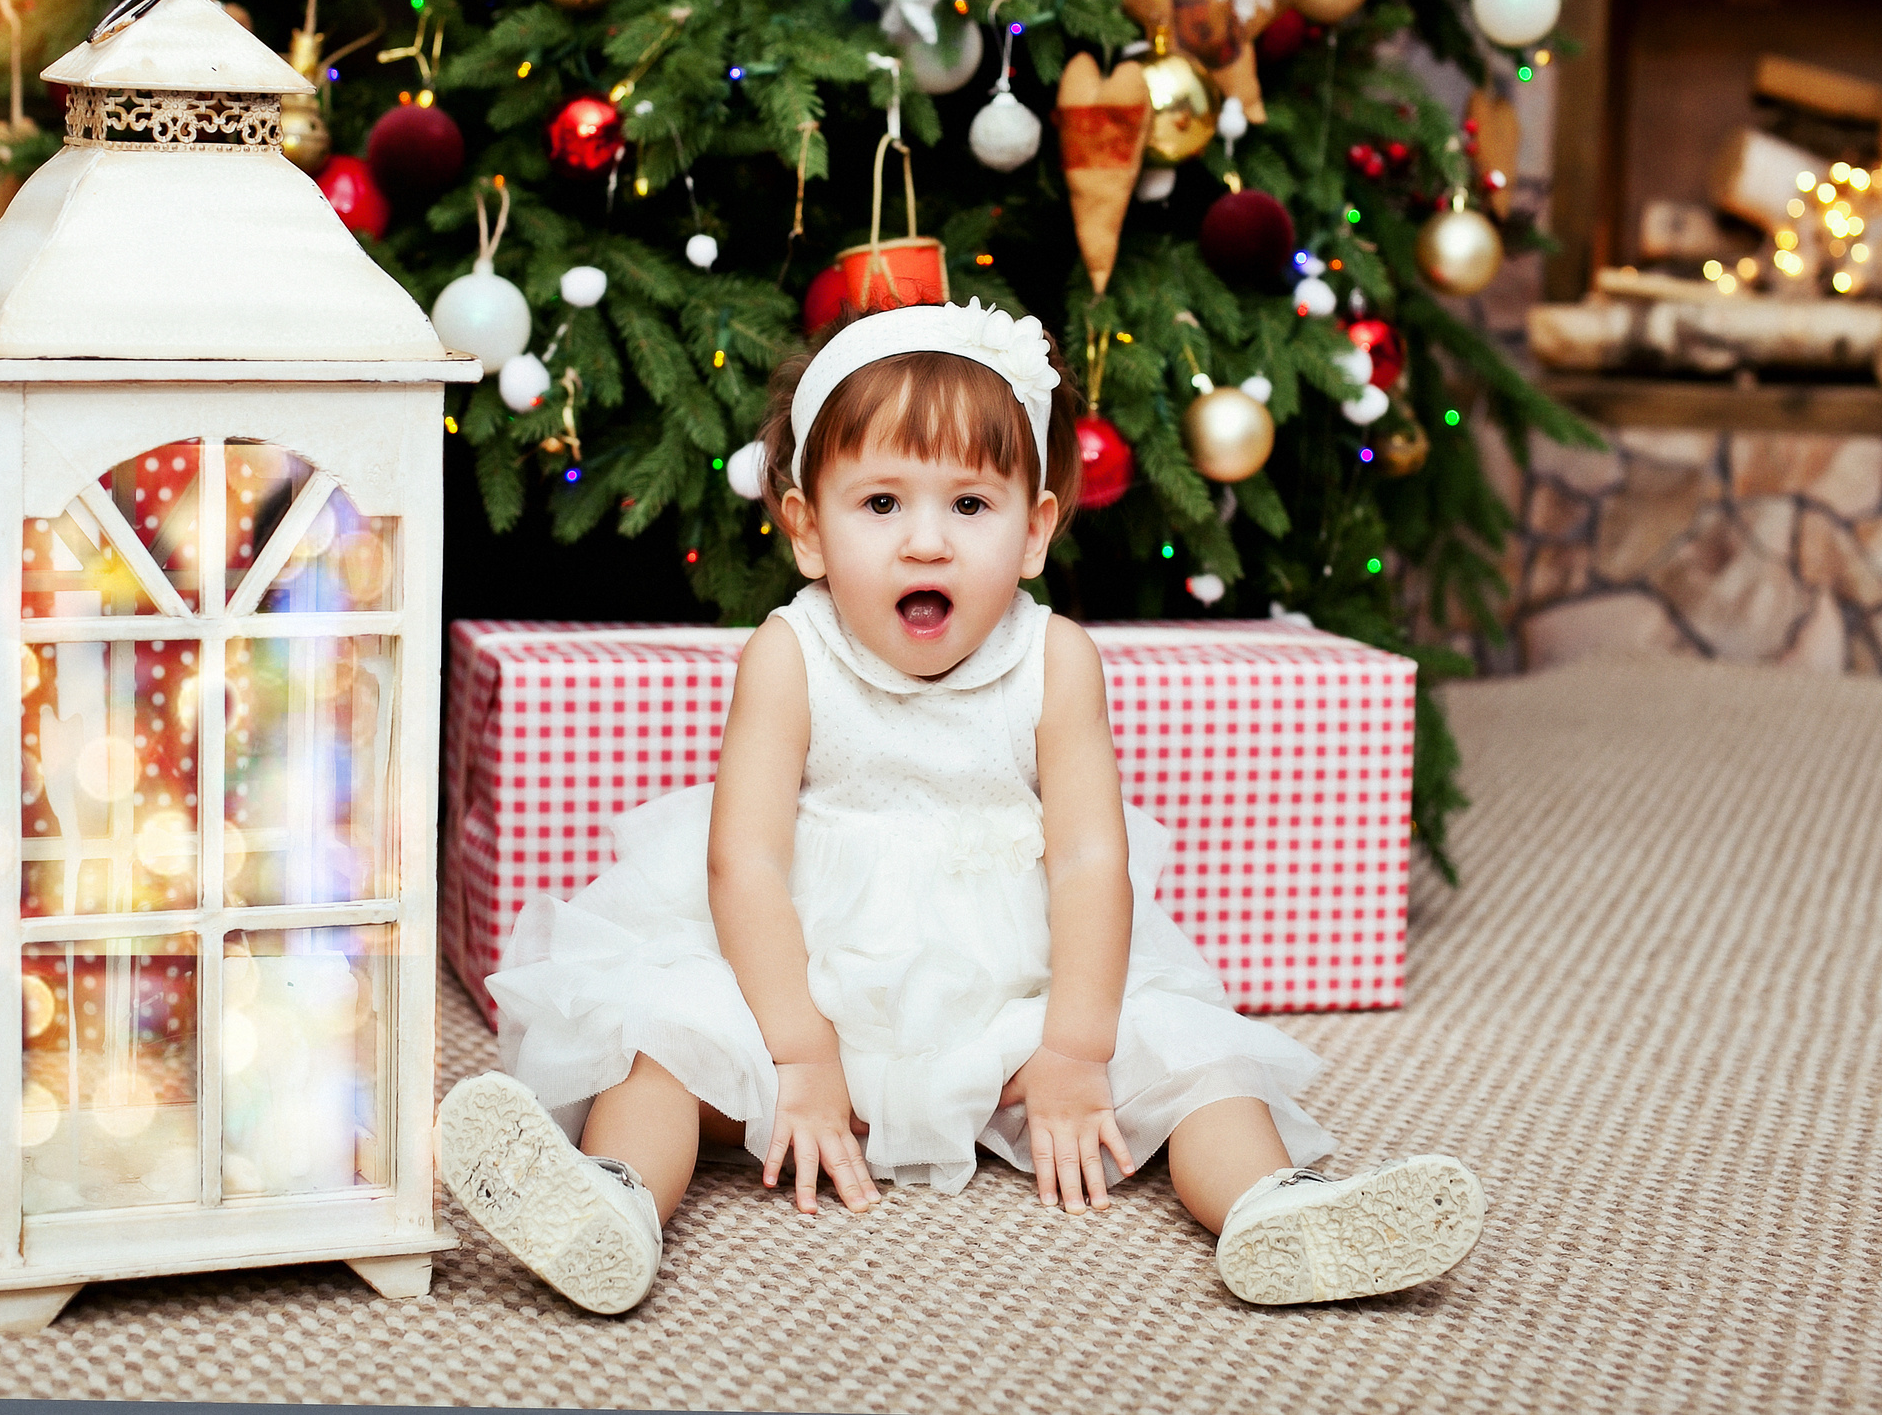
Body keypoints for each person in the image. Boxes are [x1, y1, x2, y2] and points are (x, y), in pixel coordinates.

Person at [438, 298, 1483, 1314]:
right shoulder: (788, 655)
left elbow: (1086, 863)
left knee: (1189, 1057)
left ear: (1033, 533)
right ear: (806, 528)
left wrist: (1074, 1051)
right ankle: (612, 1200)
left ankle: (1274, 1212)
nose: (926, 543)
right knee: (662, 1042)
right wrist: (800, 1055)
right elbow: (743, 866)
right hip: (801, 981)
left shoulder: (1056, 660)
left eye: (969, 506)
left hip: (1012, 994)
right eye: (881, 503)